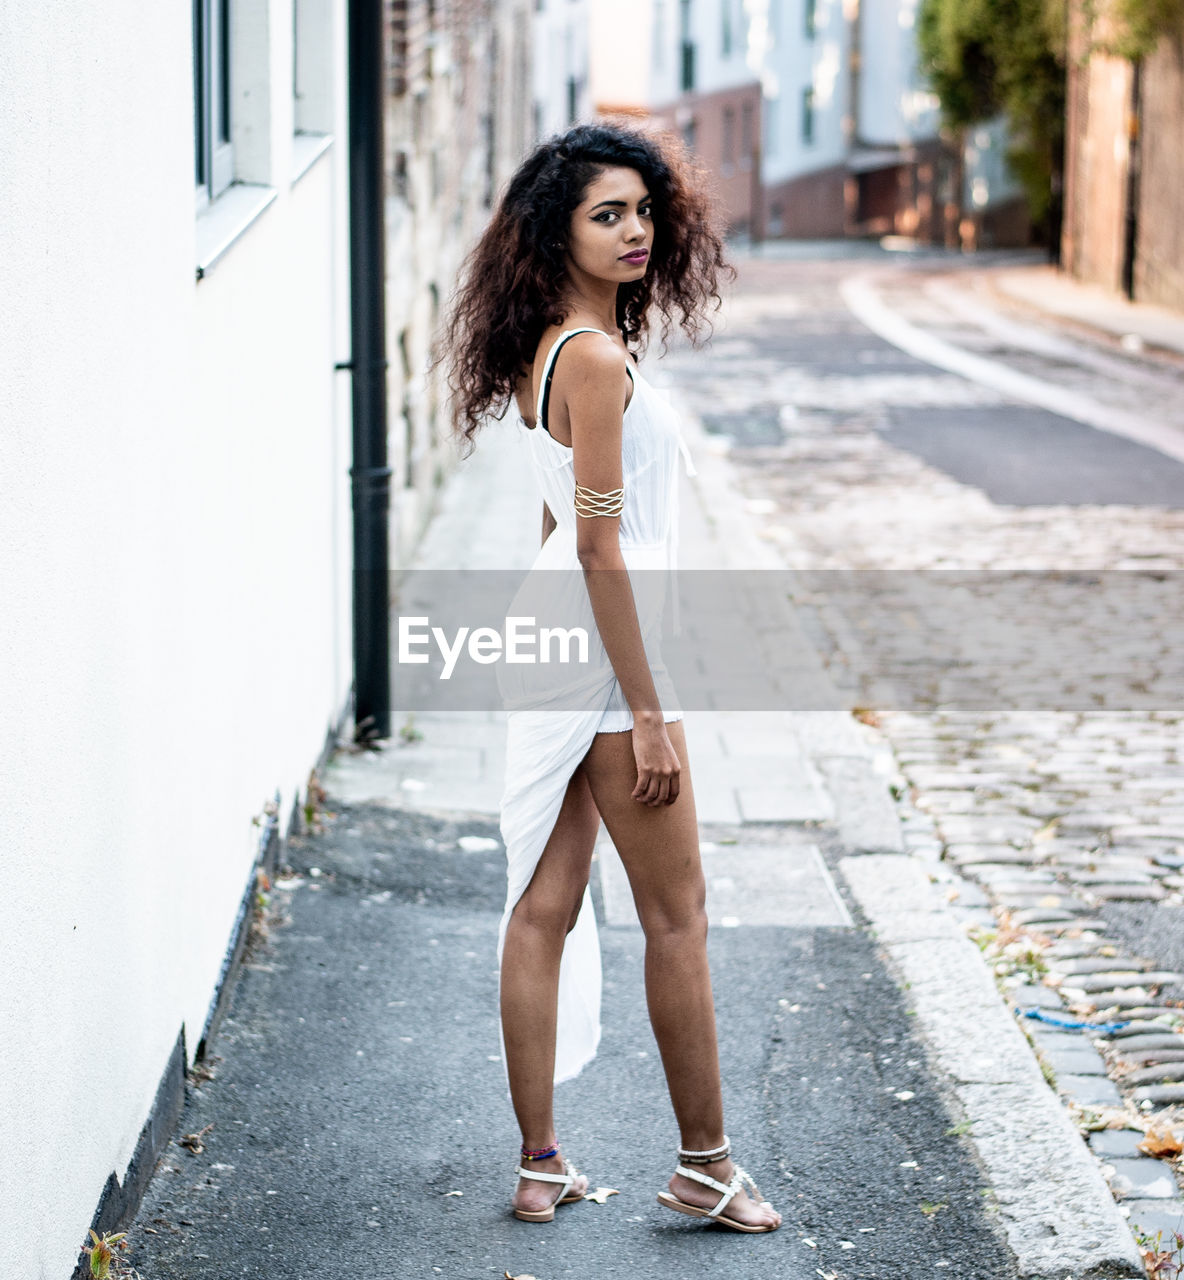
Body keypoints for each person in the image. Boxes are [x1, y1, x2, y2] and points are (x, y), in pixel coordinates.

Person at [433, 122, 781, 1235]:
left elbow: (556, 517)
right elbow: (597, 545)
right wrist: (648, 712)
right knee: (676, 914)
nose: (633, 231)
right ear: (558, 230)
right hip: (599, 644)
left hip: (557, 634)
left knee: (542, 901)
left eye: (640, 210)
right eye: (606, 214)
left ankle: (540, 1163)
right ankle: (706, 1165)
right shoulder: (591, 357)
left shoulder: (548, 347)